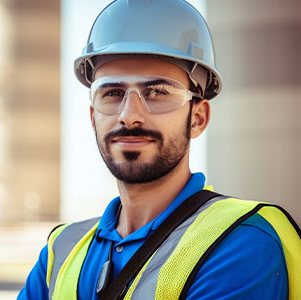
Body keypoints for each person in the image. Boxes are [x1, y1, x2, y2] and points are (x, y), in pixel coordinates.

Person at [18, 0, 301, 299]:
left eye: (157, 92)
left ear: (198, 118)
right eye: (112, 93)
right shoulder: (60, 252)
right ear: (93, 116)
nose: (129, 114)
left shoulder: (241, 244)